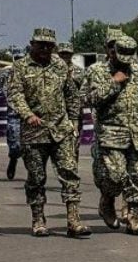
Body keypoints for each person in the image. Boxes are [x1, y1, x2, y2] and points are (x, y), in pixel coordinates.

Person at [6, 28, 86, 238]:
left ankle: (73, 219)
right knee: (36, 177)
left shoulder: (60, 66)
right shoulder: (20, 67)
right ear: (32, 43)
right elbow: (14, 94)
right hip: (34, 132)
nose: (45, 49)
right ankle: (38, 219)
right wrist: (27, 114)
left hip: (61, 130)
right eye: (41, 45)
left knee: (70, 172)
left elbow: (71, 94)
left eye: (49, 46)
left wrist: (74, 120)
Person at [86, 35, 138, 236]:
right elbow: (90, 99)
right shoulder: (97, 71)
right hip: (112, 134)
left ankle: (133, 217)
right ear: (113, 51)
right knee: (115, 177)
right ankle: (107, 201)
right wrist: (113, 82)